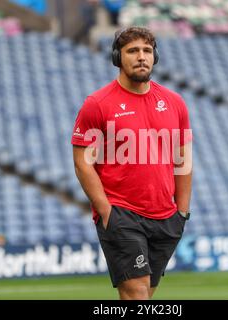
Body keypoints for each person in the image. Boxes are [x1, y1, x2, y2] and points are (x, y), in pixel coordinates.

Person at [71, 27, 193, 300]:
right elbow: (82, 163)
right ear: (117, 57)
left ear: (155, 57)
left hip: (165, 217)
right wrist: (105, 210)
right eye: (132, 51)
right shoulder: (97, 104)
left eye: (147, 51)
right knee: (137, 293)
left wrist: (182, 212)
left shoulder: (175, 103)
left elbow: (183, 160)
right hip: (122, 214)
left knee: (143, 295)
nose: (141, 57)